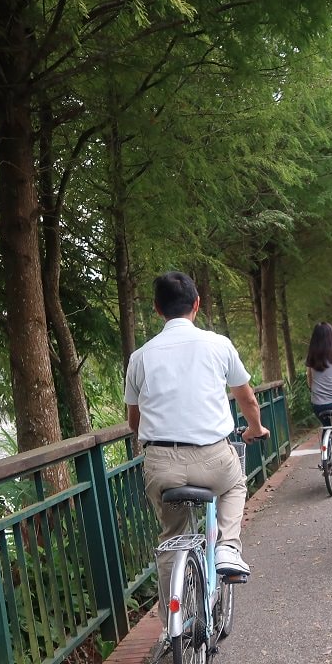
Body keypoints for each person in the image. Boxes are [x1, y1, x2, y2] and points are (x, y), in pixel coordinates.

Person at [124, 271, 270, 632]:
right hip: (213, 458)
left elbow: (133, 422)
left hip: (162, 465)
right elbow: (247, 397)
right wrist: (255, 428)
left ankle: (171, 625)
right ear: (197, 304)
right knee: (235, 485)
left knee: (171, 538)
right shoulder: (219, 345)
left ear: (157, 309)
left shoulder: (139, 357)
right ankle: (227, 548)